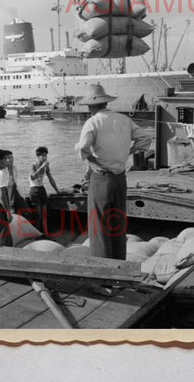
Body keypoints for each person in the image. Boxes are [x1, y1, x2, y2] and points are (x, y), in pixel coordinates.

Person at [75, 84, 152, 261]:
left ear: (91, 106)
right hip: (120, 178)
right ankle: (119, 266)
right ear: (105, 103)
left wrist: (93, 162)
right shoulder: (124, 119)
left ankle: (103, 271)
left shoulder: (93, 122)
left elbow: (82, 149)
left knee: (99, 225)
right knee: (118, 223)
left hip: (101, 177)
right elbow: (146, 138)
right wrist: (129, 152)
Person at [29, 146, 59, 231]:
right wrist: (42, 166)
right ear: (38, 156)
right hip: (34, 190)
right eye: (43, 155)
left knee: (44, 214)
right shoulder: (34, 165)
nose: (45, 157)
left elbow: (50, 178)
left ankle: (46, 234)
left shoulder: (46, 166)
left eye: (46, 155)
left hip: (42, 189)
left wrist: (57, 191)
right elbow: (33, 177)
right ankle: (37, 234)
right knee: (38, 215)